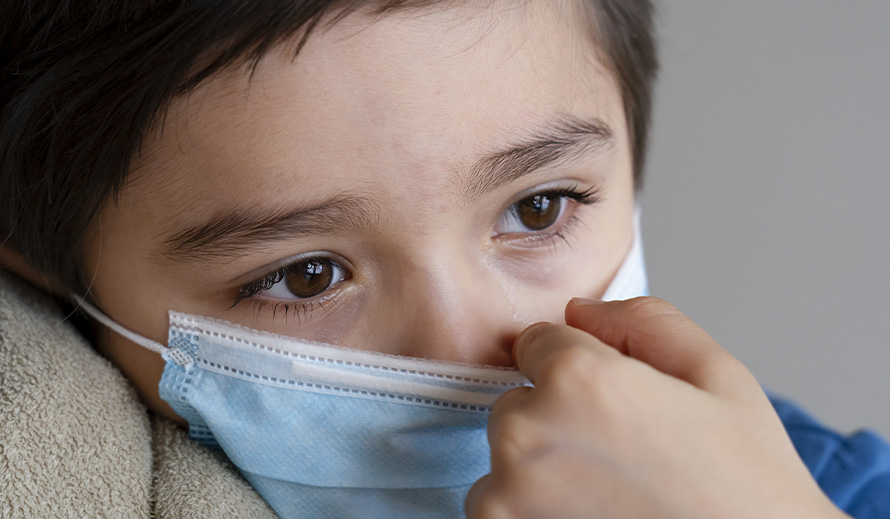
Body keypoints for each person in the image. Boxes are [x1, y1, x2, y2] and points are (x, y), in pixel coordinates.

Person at [1, 1, 888, 517]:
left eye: (538, 208)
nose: (475, 348)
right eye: (305, 274)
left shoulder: (834, 488)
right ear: (42, 260)